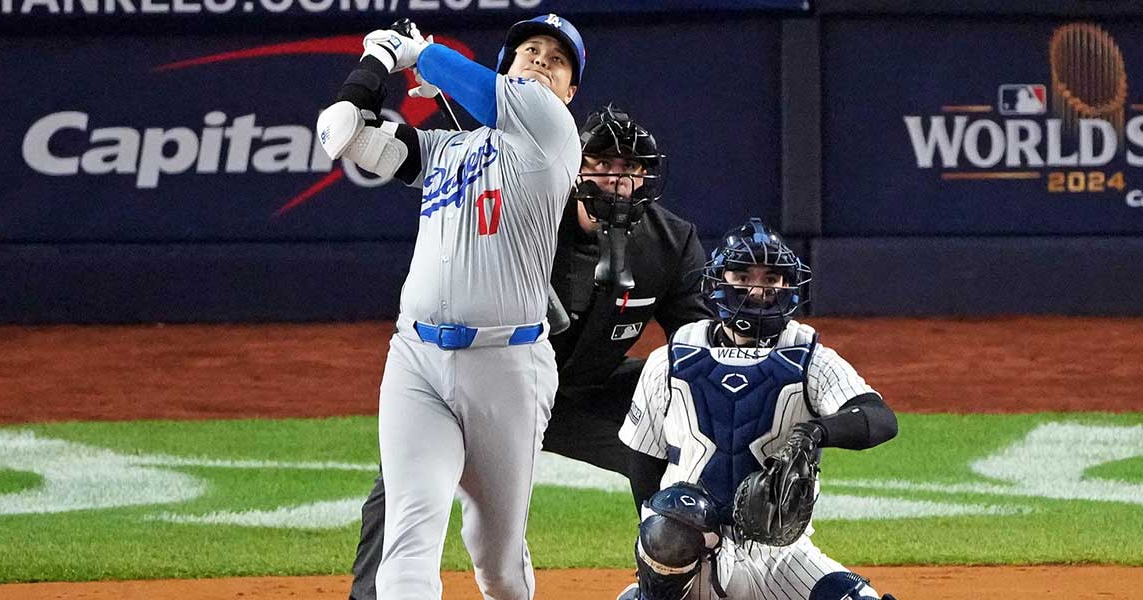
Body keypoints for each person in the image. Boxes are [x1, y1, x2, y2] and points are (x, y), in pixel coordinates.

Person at [346, 104, 714, 600]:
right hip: (497, 381)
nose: (617, 179)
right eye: (601, 164)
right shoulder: (526, 210)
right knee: (398, 491)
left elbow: (698, 345)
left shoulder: (671, 241)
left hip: (584, 394)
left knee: (680, 421)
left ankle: (680, 585)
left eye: (630, 168)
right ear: (575, 165)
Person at [315, 14, 585, 600]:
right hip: (415, 360)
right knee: (409, 537)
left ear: (569, 92)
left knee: (497, 563)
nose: (540, 59)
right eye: (529, 49)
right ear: (506, 63)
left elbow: (480, 88)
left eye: (557, 59)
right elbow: (350, 138)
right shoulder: (448, 149)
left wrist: (418, 54)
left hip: (507, 369)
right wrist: (373, 64)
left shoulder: (554, 130)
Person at [616, 219, 900, 600]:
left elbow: (880, 418)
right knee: (669, 523)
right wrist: (657, 554)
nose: (758, 288)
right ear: (720, 280)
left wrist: (818, 431)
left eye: (772, 277)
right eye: (743, 274)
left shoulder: (808, 357)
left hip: (783, 555)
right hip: (695, 549)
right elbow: (643, 460)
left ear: (788, 285)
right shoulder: (670, 360)